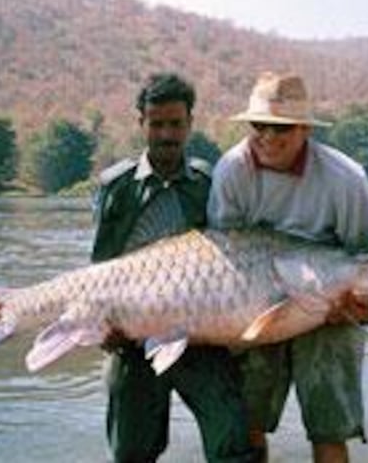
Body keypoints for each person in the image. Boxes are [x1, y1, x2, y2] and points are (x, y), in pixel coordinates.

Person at [207, 72, 368, 463]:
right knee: (248, 422)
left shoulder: (345, 177)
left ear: (305, 129)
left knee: (329, 430)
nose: (269, 138)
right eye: (261, 126)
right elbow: (222, 254)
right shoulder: (231, 170)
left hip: (329, 308)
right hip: (257, 303)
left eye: (282, 128)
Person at [91, 72, 256, 463]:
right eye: (157, 124)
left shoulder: (208, 182)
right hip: (135, 341)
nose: (167, 134)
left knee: (232, 440)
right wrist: (106, 325)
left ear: (190, 124)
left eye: (176, 124)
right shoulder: (116, 187)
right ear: (141, 124)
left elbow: (232, 258)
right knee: (131, 451)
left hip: (201, 337)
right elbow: (101, 268)